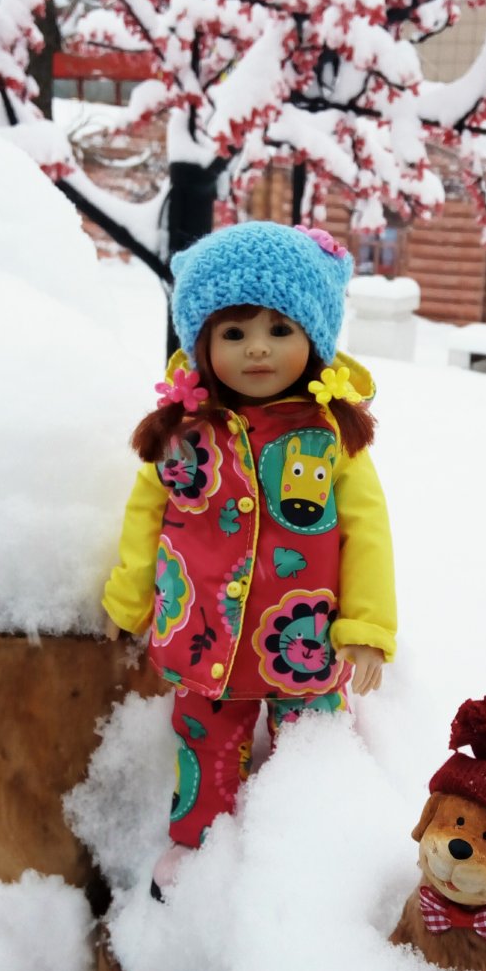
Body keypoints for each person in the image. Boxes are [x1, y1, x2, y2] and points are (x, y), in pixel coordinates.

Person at [103, 221, 396, 894]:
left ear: (314, 338)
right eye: (233, 333)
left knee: (308, 747)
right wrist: (129, 597)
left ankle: (304, 850)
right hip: (205, 628)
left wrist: (369, 628)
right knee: (203, 740)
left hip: (306, 638)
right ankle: (197, 848)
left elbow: (368, 530)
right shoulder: (185, 431)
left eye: (278, 329)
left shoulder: (328, 434)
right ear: (201, 343)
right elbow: (145, 515)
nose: (257, 349)